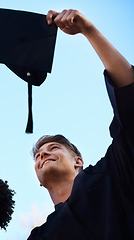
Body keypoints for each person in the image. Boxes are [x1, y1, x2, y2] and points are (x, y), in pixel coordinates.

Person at [28, 9, 134, 240]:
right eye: (38, 156)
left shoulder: (111, 174)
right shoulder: (40, 236)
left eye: (53, 148)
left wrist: (89, 31)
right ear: (38, 181)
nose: (42, 154)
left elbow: (129, 97)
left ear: (78, 161)